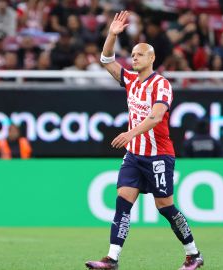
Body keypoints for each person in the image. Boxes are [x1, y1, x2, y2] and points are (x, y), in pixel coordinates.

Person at [85, 11, 204, 270]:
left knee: (165, 207)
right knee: (122, 202)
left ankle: (193, 254)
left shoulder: (160, 84)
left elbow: (156, 116)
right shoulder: (129, 80)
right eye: (134, 54)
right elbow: (106, 59)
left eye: (139, 54)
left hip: (159, 155)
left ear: (152, 58)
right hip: (134, 155)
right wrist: (112, 34)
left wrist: (130, 133)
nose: (134, 58)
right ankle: (112, 258)